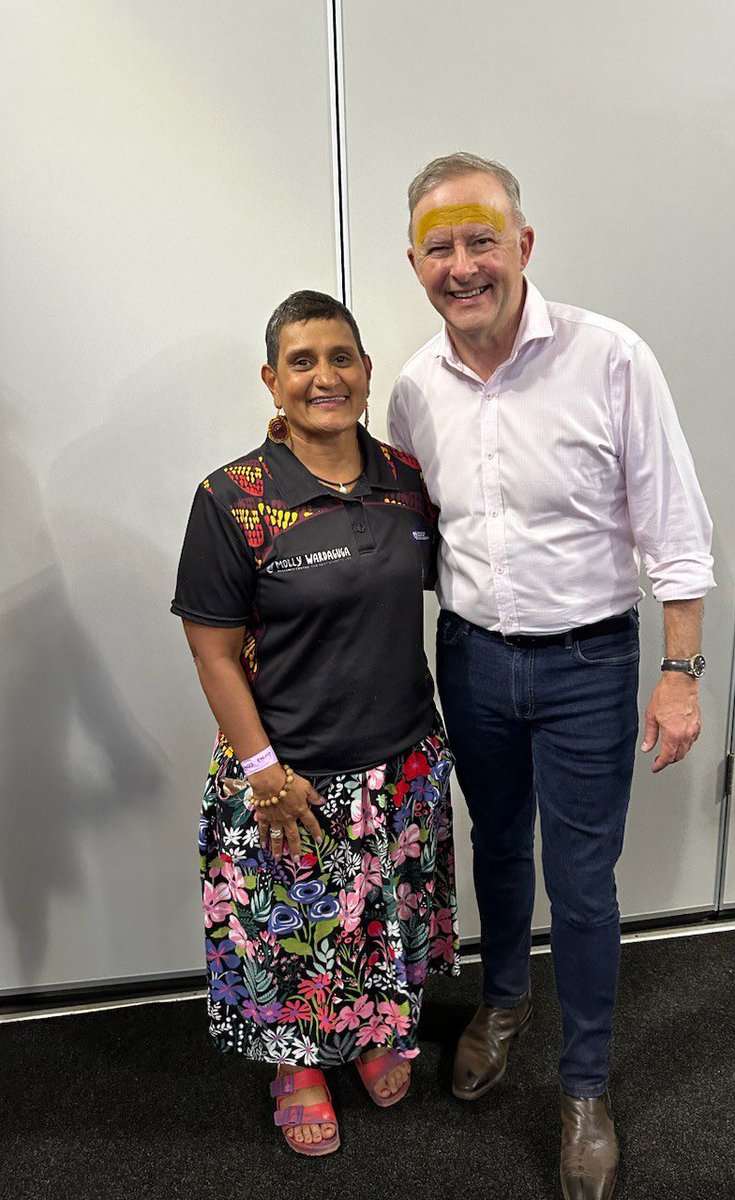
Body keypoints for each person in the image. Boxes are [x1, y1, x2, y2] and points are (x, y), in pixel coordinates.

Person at [388, 153, 715, 1200]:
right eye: (440, 246)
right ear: (416, 264)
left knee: (581, 885)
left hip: (586, 662)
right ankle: (503, 999)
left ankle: (583, 1089)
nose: (463, 263)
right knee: (496, 851)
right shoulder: (411, 389)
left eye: (481, 237)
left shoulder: (609, 357)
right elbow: (406, 533)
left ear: (523, 246)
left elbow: (675, 527)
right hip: (473, 658)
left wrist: (679, 672)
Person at [171, 290, 459, 1157]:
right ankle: (296, 1068)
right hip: (287, 771)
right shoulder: (235, 498)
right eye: (303, 361)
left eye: (341, 358)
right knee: (292, 927)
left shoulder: (407, 482)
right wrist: (263, 767)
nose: (324, 377)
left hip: (401, 761)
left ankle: (370, 1033)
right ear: (273, 378)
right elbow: (214, 653)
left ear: (368, 373)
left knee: (377, 915)